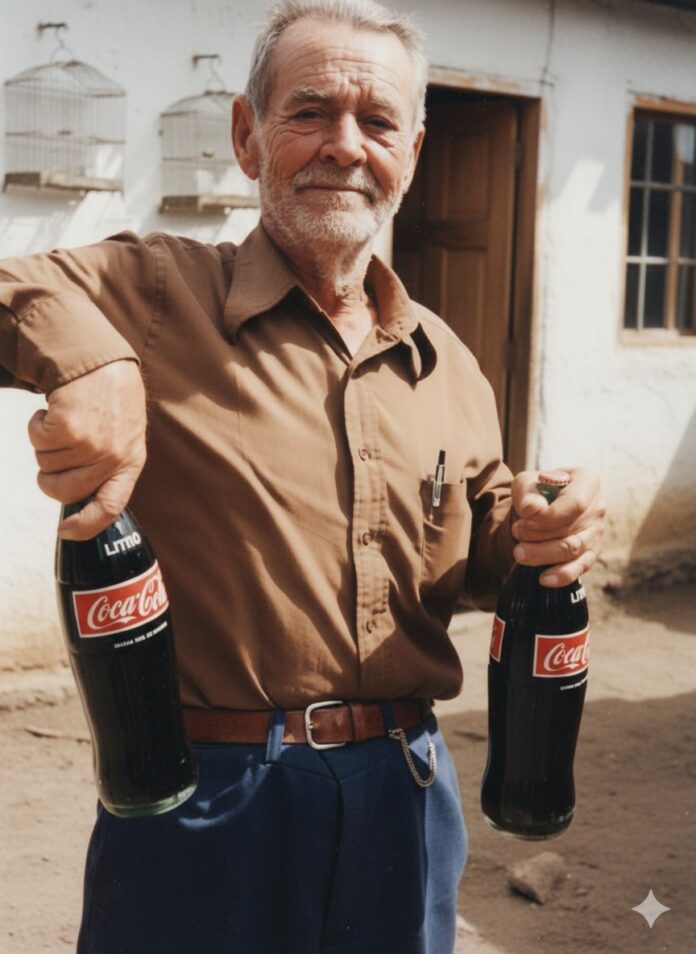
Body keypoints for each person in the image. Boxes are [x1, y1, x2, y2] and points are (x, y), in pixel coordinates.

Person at [0, 1, 606, 951]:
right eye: (310, 111)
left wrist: (536, 527)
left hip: (404, 788)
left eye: (377, 122)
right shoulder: (159, 293)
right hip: (206, 797)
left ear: (410, 149)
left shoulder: (445, 358)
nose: (344, 146)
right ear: (247, 136)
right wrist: (93, 362)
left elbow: (477, 548)